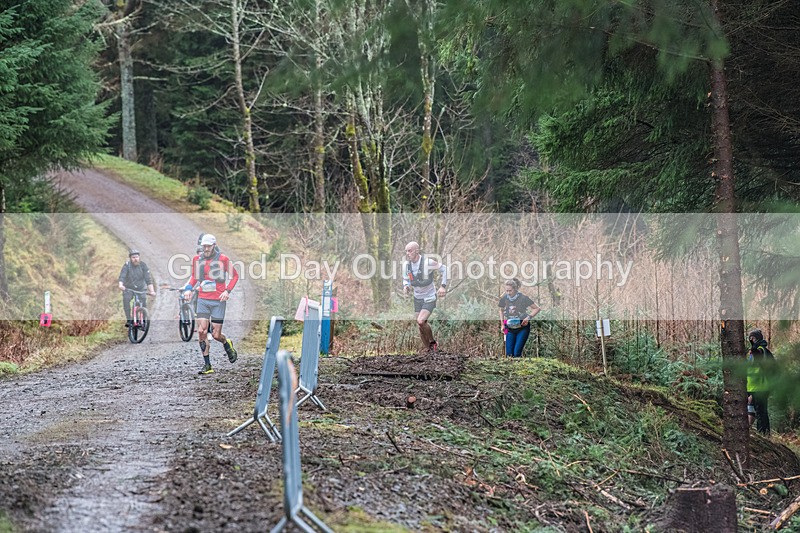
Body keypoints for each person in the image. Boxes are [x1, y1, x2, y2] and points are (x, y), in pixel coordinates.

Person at [183, 234, 240, 374]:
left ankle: (227, 343)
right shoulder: (197, 259)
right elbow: (194, 277)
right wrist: (188, 289)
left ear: (214, 245)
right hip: (202, 299)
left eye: (208, 246)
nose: (206, 249)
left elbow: (235, 276)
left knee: (215, 335)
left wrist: (227, 291)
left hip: (218, 301)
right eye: (204, 246)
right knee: (202, 331)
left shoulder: (223, 259)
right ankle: (207, 365)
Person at [402, 241, 447, 353]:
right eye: (406, 251)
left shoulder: (428, 262)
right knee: (420, 326)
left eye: (410, 250)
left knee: (421, 321)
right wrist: (406, 286)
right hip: (417, 298)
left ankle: (432, 342)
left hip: (430, 297)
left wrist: (443, 286)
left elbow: (444, 269)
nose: (408, 253)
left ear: (417, 251)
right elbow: (406, 279)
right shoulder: (406, 265)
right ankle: (429, 351)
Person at [498, 278, 540, 358]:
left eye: (510, 291)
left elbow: (537, 308)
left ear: (515, 289)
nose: (508, 293)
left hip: (522, 327)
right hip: (510, 328)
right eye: (506, 291)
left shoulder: (523, 298)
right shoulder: (504, 298)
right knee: (509, 354)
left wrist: (528, 317)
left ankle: (519, 368)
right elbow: (501, 310)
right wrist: (502, 324)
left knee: (517, 353)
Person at [118, 249, 155, 327]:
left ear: (139, 257)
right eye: (133, 257)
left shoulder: (143, 265)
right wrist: (121, 285)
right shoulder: (127, 266)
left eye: (137, 257)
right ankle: (129, 319)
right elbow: (122, 276)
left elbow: (148, 279)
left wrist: (152, 291)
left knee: (144, 303)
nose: (135, 259)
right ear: (130, 258)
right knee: (126, 300)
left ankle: (144, 320)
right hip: (129, 288)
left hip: (141, 289)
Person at [747, 329, 773, 435]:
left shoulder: (762, 350)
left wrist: (754, 349)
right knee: (751, 410)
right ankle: (750, 431)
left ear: (758, 339)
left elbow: (758, 357)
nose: (751, 340)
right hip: (752, 387)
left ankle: (764, 433)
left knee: (761, 412)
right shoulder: (752, 352)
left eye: (753, 338)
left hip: (761, 387)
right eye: (750, 338)